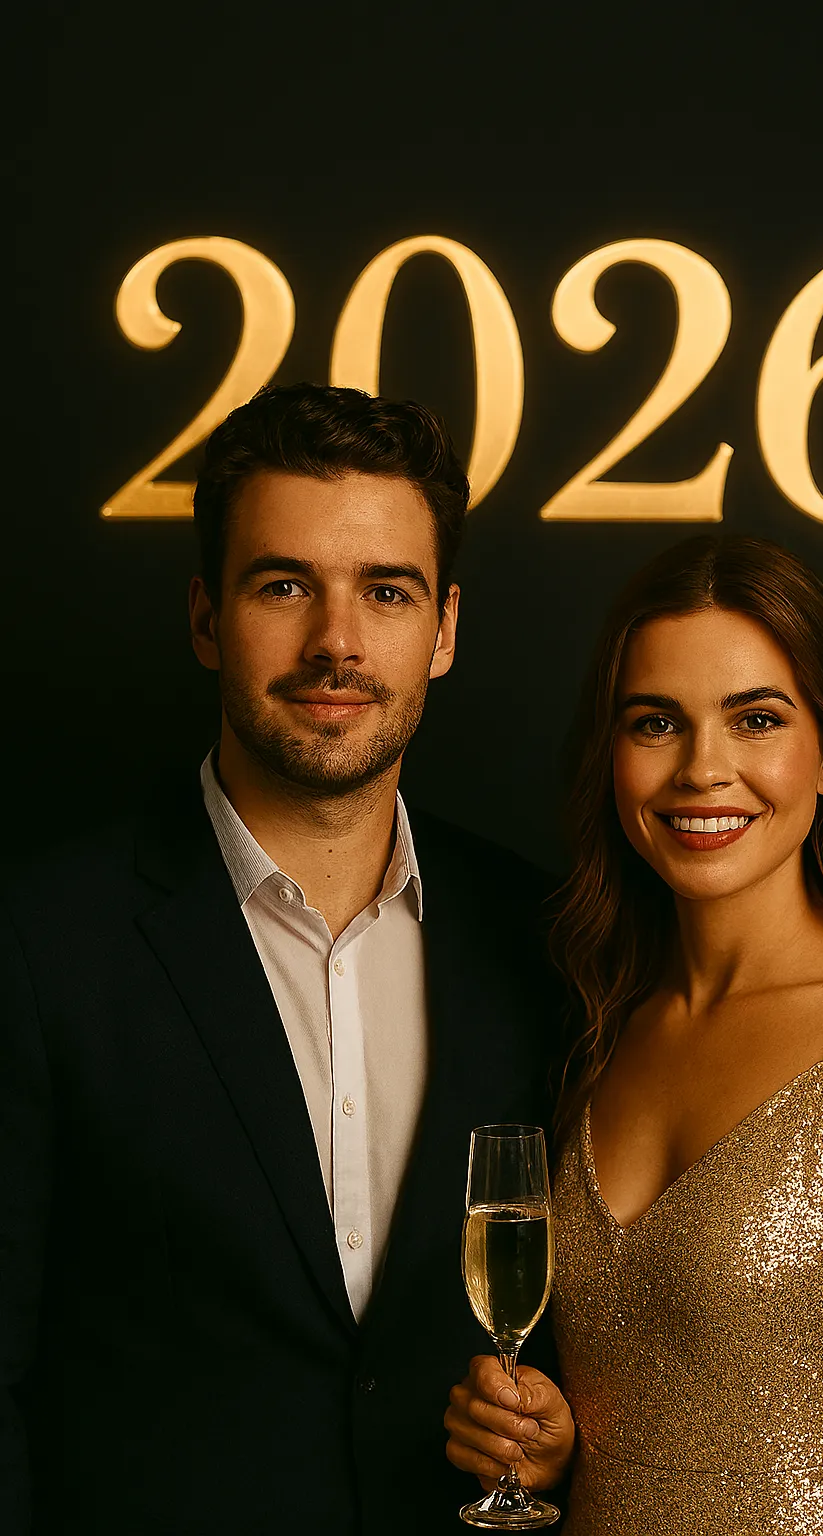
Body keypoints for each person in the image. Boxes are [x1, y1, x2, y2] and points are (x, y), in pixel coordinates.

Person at [0, 383, 562, 1535]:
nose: (336, 643)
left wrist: (553, 1426)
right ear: (207, 617)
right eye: (284, 585)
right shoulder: (39, 943)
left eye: (386, 591)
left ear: (444, 629)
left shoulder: (544, 939)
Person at [444, 535, 823, 1534]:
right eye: (655, 722)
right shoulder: (594, 1026)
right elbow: (664, 1401)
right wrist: (552, 1439)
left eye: (755, 719)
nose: (703, 769)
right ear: (611, 756)